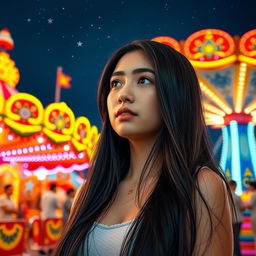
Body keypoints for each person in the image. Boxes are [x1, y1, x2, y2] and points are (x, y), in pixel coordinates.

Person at [53, 40, 233, 255]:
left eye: (144, 80)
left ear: (176, 94)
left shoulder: (200, 186)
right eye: (116, 83)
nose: (123, 95)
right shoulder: (88, 192)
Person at [229, 180, 244, 256]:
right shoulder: (237, 196)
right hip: (237, 219)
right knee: (236, 238)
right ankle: (237, 253)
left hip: (229, 220)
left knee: (231, 238)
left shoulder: (225, 195)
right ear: (234, 185)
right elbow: (242, 208)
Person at [247, 181, 256, 248]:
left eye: (249, 186)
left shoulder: (253, 194)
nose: (248, 188)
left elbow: (250, 206)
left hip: (254, 217)